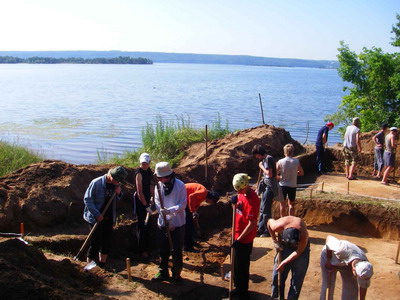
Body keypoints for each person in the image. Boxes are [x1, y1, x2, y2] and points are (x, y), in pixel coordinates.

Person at [83, 166, 128, 268]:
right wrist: (97, 214)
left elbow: (119, 197)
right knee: (95, 242)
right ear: (111, 176)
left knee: (106, 242)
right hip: (95, 217)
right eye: (116, 180)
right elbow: (87, 200)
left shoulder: (116, 184)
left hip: (109, 216)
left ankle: (102, 265)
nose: (118, 183)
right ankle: (89, 266)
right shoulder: (96, 183)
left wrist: (119, 192)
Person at [153, 162, 187, 283]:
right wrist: (163, 214)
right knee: (163, 249)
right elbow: (157, 202)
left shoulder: (180, 186)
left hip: (178, 223)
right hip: (163, 223)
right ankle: (163, 272)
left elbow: (183, 204)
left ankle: (176, 274)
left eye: (163, 177)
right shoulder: (158, 187)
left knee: (177, 250)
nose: (162, 180)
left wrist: (170, 212)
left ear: (170, 175)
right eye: (159, 178)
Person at [230, 173, 260, 299]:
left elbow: (252, 224)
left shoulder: (253, 200)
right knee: (235, 264)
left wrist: (239, 239)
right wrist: (234, 203)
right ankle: (237, 287)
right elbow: (238, 208)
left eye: (240, 190)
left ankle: (243, 292)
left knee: (242, 266)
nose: (239, 192)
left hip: (245, 238)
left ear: (246, 186)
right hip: (236, 233)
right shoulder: (241, 192)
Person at [267, 216, 310, 300]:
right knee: (277, 276)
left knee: (297, 281)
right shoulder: (278, 225)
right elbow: (269, 222)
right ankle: (276, 296)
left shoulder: (304, 235)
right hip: (285, 248)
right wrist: (274, 240)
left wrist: (283, 262)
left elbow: (298, 252)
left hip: (301, 252)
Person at [320, 235, 374, 300]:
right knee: (327, 285)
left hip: (346, 263)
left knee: (351, 289)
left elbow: (363, 286)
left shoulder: (365, 267)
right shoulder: (342, 248)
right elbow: (329, 239)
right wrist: (328, 260)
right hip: (330, 257)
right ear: (353, 269)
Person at [252, 144, 281, 235]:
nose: (256, 157)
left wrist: (261, 166)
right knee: (263, 208)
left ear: (259, 153)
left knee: (265, 209)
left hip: (270, 187)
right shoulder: (266, 159)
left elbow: (269, 174)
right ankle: (261, 227)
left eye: (256, 155)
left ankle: (266, 230)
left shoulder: (267, 159)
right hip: (267, 186)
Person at [184, 183, 220, 252]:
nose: (209, 203)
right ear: (211, 199)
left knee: (191, 224)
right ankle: (188, 247)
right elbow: (191, 196)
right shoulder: (203, 192)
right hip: (180, 198)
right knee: (188, 226)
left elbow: (196, 203)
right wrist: (193, 211)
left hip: (185, 201)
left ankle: (191, 242)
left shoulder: (203, 196)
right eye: (211, 202)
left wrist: (195, 213)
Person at [133, 153, 155, 262]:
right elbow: (139, 192)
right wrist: (146, 205)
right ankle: (142, 252)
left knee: (148, 226)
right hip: (140, 201)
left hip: (147, 200)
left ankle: (147, 248)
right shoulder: (139, 173)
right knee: (141, 225)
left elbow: (151, 185)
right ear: (140, 162)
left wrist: (152, 198)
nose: (144, 165)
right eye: (143, 163)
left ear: (149, 162)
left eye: (146, 163)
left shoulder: (149, 172)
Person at [277, 144, 304, 216]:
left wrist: (279, 177)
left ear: (284, 152)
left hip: (282, 185)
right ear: (292, 152)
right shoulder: (296, 161)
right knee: (291, 205)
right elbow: (301, 173)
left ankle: (283, 220)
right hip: (292, 185)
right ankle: (290, 220)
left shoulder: (280, 161)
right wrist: (295, 173)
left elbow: (275, 174)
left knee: (282, 205)